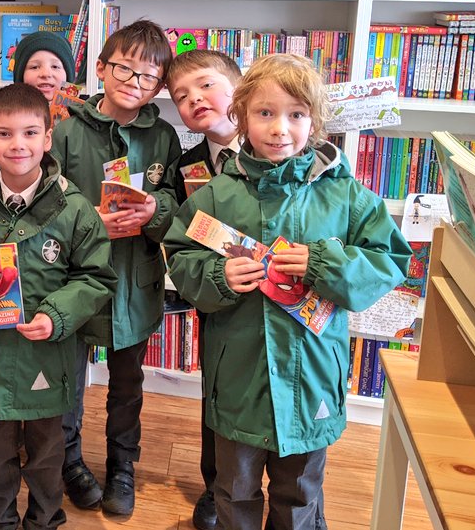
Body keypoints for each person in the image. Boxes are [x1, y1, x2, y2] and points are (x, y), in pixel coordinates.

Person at [163, 53, 411, 530]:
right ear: (240, 117)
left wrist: (324, 263)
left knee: (300, 492)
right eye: (265, 113)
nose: (280, 128)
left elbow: (390, 261)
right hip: (237, 377)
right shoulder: (216, 194)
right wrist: (218, 278)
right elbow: (180, 252)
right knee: (234, 492)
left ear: (314, 122)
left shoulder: (345, 195)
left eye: (296, 115)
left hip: (313, 375)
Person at [0, 84, 116, 530]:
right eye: (5, 134)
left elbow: (95, 277)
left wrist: (56, 314)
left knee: (47, 454)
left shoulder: (74, 208)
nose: (18, 144)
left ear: (48, 138)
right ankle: (0, 521)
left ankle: (45, 519)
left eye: (31, 132)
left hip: (46, 355)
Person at [52, 19, 181, 516]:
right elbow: (47, 202)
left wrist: (156, 212)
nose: (135, 83)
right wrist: (89, 225)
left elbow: (173, 196)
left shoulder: (164, 135)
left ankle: (122, 467)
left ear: (160, 85)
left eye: (149, 77)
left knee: (128, 385)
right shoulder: (66, 131)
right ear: (102, 67)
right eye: (125, 69)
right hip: (75, 280)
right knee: (70, 380)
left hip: (135, 282)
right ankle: (69, 462)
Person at [165, 49, 242, 530]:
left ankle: (296, 493)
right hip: (220, 299)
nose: (195, 99)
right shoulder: (188, 165)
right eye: (181, 97)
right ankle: (217, 487)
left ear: (240, 84)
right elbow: (183, 237)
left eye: (207, 85)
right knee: (217, 392)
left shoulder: (282, 144)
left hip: (286, 297)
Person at [10, 30, 76, 101]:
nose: (45, 74)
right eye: (34, 67)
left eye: (55, 67)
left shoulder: (83, 111)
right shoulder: (5, 110)